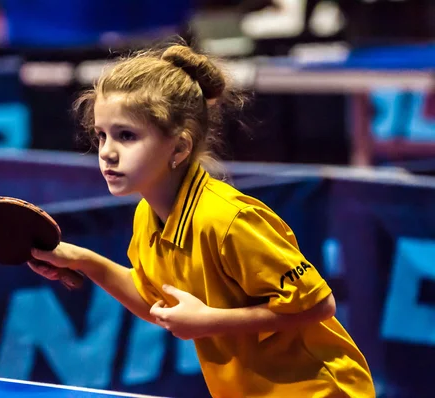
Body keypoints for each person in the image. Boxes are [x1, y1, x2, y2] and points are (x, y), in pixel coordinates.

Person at [28, 42, 375, 398]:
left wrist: (210, 322)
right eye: (101, 135)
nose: (107, 152)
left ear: (178, 148)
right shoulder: (149, 215)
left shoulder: (229, 220)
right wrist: (85, 261)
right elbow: (157, 302)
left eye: (126, 136)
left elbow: (318, 305)